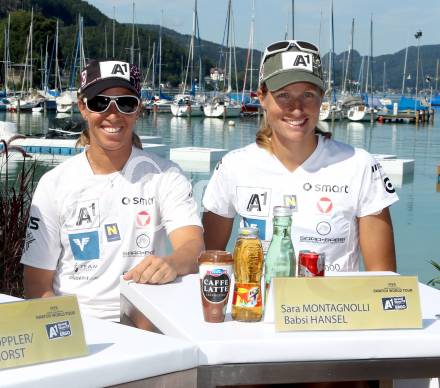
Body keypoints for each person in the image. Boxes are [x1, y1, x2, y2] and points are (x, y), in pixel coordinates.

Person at [21, 60, 204, 321]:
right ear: (83, 107)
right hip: (78, 325)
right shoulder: (54, 184)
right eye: (100, 103)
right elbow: (37, 286)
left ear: (138, 109)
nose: (113, 114)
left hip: (146, 321)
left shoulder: (167, 175)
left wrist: (172, 263)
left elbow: (193, 247)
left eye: (125, 103)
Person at [203, 39, 398, 275]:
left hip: (337, 310)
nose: (296, 107)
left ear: (321, 98)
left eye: (307, 94)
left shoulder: (361, 166)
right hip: (257, 310)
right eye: (283, 95)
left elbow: (384, 279)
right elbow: (208, 264)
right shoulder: (233, 166)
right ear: (261, 97)